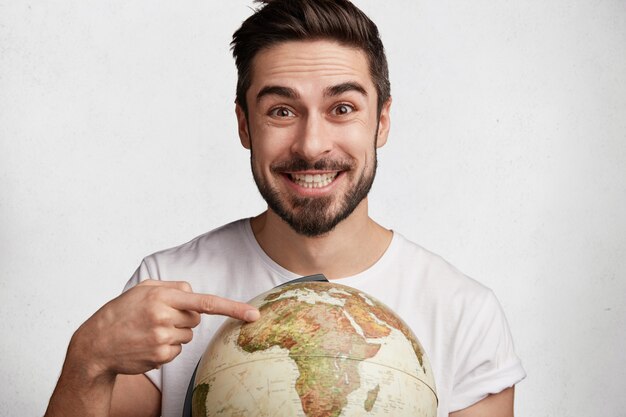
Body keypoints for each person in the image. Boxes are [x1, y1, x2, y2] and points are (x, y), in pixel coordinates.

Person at [45, 0, 526, 416]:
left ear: (381, 122)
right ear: (244, 126)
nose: (313, 145)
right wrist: (88, 357)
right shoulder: (169, 287)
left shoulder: (464, 314)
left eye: (342, 108)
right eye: (281, 110)